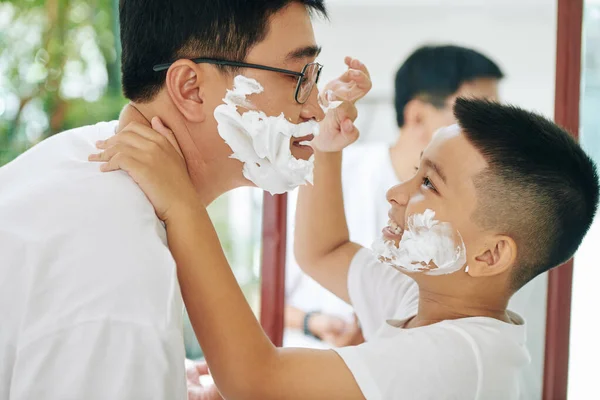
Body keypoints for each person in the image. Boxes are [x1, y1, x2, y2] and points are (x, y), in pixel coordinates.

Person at [92, 98, 599, 399]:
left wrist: (182, 203)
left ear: (490, 255)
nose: (397, 192)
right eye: (414, 170)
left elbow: (256, 378)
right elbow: (324, 250)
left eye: (430, 184)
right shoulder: (427, 301)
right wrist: (328, 150)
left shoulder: (467, 357)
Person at [0, 1, 372, 398]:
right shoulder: (121, 260)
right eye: (298, 77)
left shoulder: (76, 157)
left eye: (314, 76)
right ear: (190, 89)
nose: (315, 108)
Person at [284, 45, 504, 348]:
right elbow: (274, 288)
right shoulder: (325, 174)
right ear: (417, 116)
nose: (488, 134)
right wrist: (314, 323)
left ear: (493, 255)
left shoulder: (472, 215)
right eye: (477, 116)